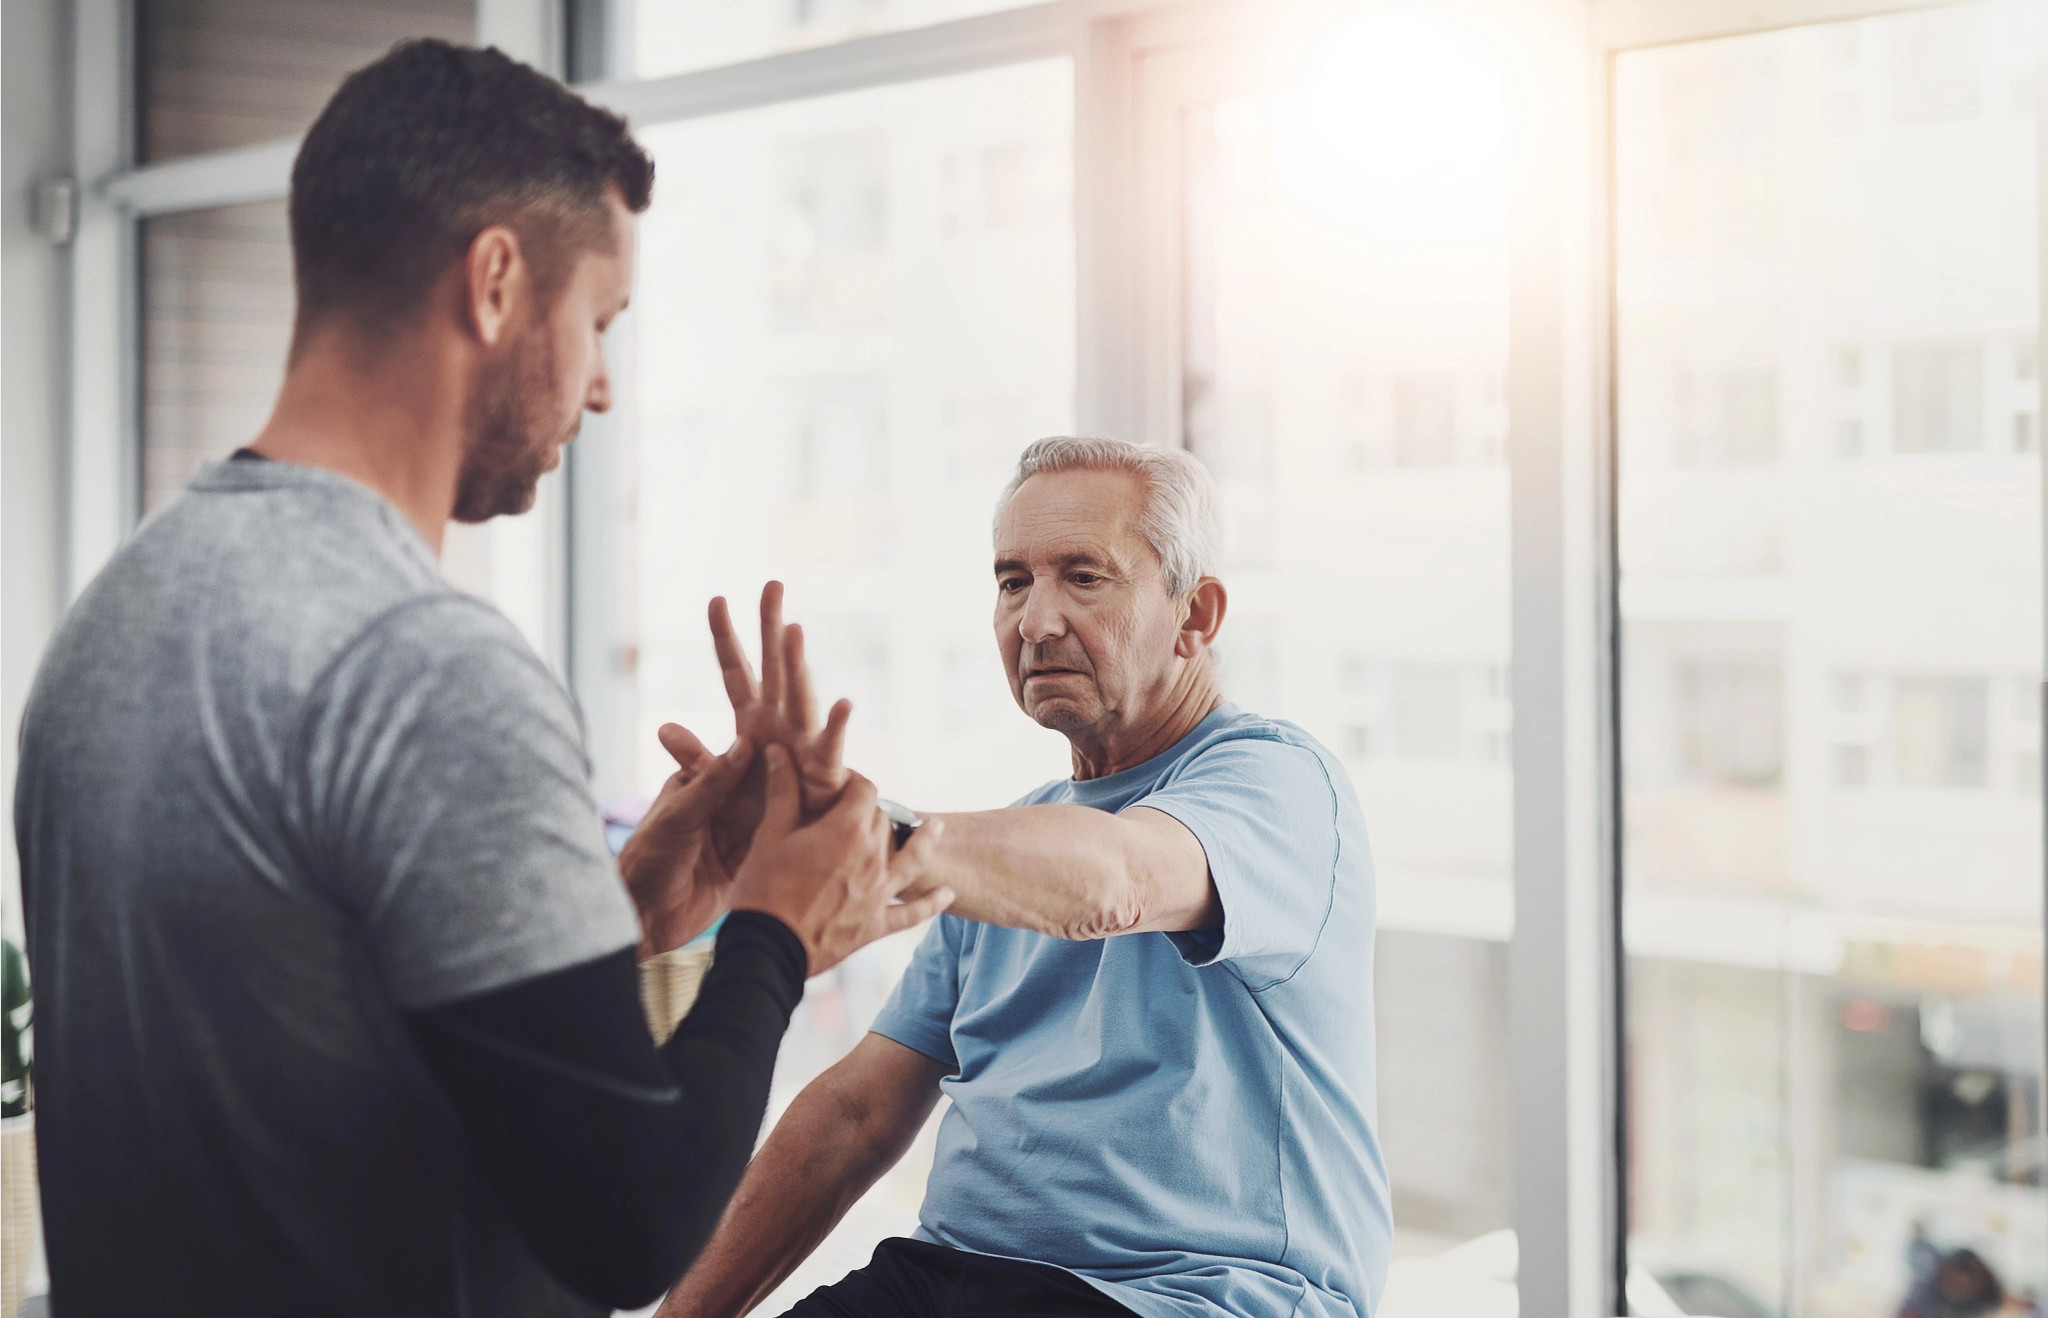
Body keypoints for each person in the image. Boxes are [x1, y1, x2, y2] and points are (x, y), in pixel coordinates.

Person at [12, 40, 948, 1317]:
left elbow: (301, 1058)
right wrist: (778, 930)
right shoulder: (423, 666)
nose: (604, 389)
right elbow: (629, 1225)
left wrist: (610, 919)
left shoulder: (114, 617)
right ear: (498, 281)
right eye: (600, 323)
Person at [660, 437, 1392, 1318]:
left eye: (1084, 577)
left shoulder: (1276, 783)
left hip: (1188, 1296)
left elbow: (1116, 877)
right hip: (948, 1279)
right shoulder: (1005, 847)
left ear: (1195, 615)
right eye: (1013, 581)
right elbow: (857, 1114)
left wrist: (839, 839)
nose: (1035, 621)